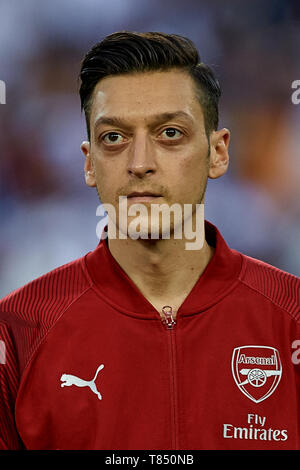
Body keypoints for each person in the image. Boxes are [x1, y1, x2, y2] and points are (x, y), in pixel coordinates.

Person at [0, 31, 299, 451]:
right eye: (114, 138)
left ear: (218, 152)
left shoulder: (292, 318)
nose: (140, 163)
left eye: (170, 133)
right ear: (89, 163)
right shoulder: (17, 331)